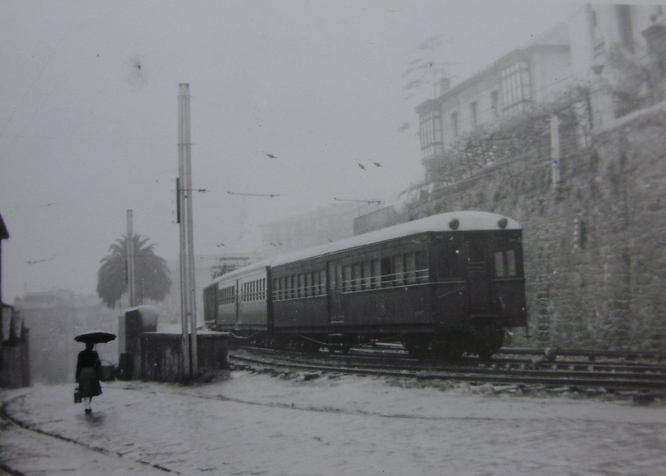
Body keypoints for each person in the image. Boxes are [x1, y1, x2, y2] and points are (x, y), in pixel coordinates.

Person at [75, 342, 102, 414]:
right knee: (91, 389)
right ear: (92, 346)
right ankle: (88, 405)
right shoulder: (94, 354)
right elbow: (98, 364)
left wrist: (77, 376)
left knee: (84, 389)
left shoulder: (81, 354)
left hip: (83, 372)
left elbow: (79, 365)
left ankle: (87, 405)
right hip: (91, 372)